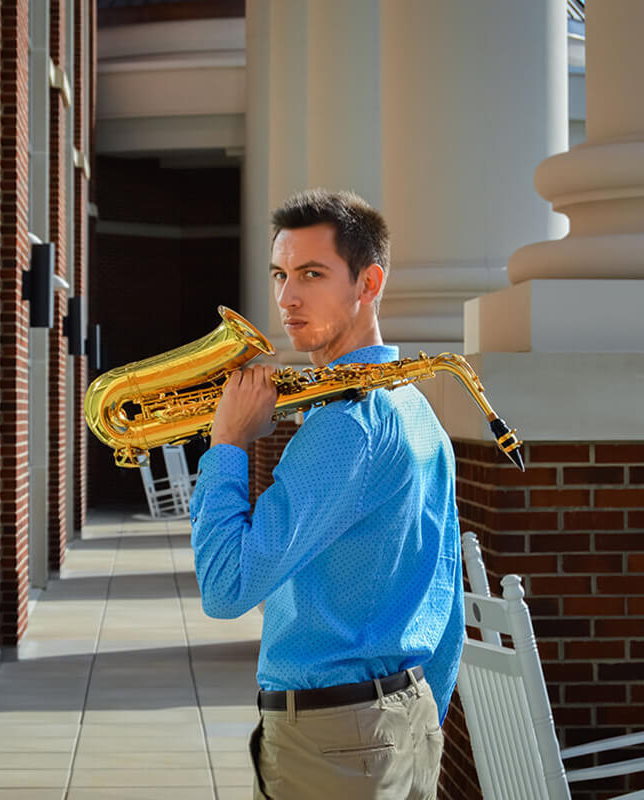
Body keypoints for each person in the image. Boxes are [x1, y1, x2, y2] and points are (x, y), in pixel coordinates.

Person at [189, 188, 464, 799]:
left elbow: (226, 586)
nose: (287, 298)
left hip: (334, 739)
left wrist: (228, 445)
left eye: (312, 274)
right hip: (401, 726)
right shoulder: (416, 409)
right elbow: (445, 601)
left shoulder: (347, 422)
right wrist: (421, 724)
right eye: (281, 274)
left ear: (369, 283)